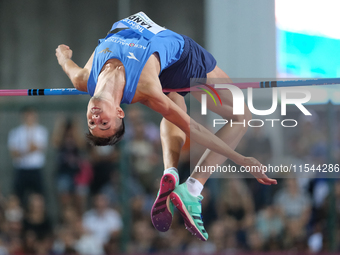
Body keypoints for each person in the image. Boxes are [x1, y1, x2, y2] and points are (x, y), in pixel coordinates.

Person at [55, 12, 277, 241]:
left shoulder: (83, 78)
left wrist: (63, 55)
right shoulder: (144, 87)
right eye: (104, 123)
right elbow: (193, 128)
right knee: (242, 115)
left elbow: (66, 63)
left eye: (93, 123)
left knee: (176, 98)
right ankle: (192, 189)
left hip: (161, 63)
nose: (96, 117)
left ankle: (170, 171)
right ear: (120, 112)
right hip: (183, 59)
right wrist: (240, 159)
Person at [8, 107, 48, 206]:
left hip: (36, 169)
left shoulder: (41, 131)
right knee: (18, 197)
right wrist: (29, 150)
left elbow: (38, 148)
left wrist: (22, 152)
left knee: (39, 196)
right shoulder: (15, 132)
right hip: (21, 169)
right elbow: (14, 153)